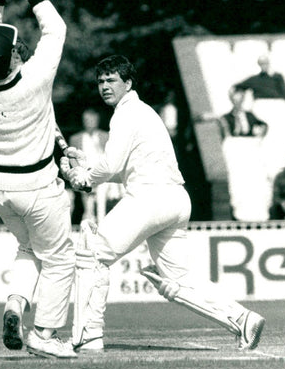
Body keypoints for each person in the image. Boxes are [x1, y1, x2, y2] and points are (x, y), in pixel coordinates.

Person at [61, 55, 266, 353]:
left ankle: (88, 334)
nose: (105, 86)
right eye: (101, 82)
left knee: (92, 253)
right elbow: (127, 169)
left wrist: (85, 179)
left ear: (128, 83)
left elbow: (111, 165)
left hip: (149, 198)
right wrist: (89, 167)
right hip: (174, 199)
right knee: (177, 278)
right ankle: (242, 318)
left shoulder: (125, 114)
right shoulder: (144, 113)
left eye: (111, 80)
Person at [0, 0, 76, 359]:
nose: (19, 48)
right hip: (36, 186)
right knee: (61, 259)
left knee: (28, 250)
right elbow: (57, 28)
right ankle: (45, 334)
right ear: (14, 60)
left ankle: (15, 304)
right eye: (16, 48)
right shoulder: (34, 78)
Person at [68, 108, 122, 224]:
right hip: (85, 173)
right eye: (87, 120)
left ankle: (103, 223)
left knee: (103, 201)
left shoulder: (106, 136)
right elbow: (71, 159)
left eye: (92, 120)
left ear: (97, 120)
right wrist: (78, 173)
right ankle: (89, 224)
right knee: (88, 208)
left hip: (103, 173)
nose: (89, 122)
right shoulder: (75, 138)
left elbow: (112, 155)